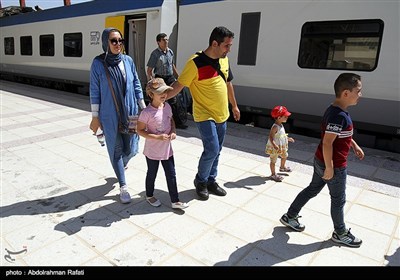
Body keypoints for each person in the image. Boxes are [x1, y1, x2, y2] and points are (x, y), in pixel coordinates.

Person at [280, 73, 364, 248]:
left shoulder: (334, 110)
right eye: (358, 91)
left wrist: (353, 145)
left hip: (321, 160)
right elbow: (327, 142)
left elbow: (339, 135)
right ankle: (340, 233)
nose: (360, 95)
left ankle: (290, 216)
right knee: (338, 199)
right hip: (333, 165)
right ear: (346, 93)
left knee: (312, 189)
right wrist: (330, 168)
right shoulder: (338, 115)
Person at [166, 26, 240, 200]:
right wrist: (160, 99)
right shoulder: (195, 62)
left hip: (222, 114)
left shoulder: (224, 60)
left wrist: (234, 106)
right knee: (212, 149)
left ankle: (211, 180)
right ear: (215, 43)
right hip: (204, 114)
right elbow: (179, 85)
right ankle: (200, 181)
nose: (229, 50)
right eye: (226, 46)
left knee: (218, 150)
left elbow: (228, 83)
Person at [89, 27, 146, 204]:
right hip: (109, 115)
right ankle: (123, 186)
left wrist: (142, 106)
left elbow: (136, 82)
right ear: (106, 43)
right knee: (116, 149)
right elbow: (95, 91)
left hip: (130, 112)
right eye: (114, 41)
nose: (118, 44)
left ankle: (121, 164)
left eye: (120, 41)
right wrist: (95, 116)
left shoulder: (128, 61)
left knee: (132, 149)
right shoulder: (98, 63)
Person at [136, 78, 188, 209]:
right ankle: (149, 195)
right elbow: (140, 130)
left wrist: (174, 131)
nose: (164, 94)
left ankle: (175, 200)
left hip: (167, 150)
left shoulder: (167, 107)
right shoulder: (146, 113)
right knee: (152, 173)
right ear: (151, 94)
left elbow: (171, 121)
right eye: (160, 92)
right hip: (152, 151)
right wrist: (157, 137)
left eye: (165, 91)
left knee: (171, 174)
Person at [146, 33, 188, 129]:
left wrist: (179, 77)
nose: (166, 42)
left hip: (170, 78)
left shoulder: (170, 52)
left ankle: (177, 122)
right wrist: (152, 82)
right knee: (159, 99)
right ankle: (156, 120)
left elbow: (172, 66)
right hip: (160, 79)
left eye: (167, 39)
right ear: (158, 42)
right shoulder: (155, 54)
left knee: (174, 99)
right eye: (164, 40)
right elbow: (149, 70)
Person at [265, 105, 295, 182]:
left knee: (284, 155)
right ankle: (273, 174)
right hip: (275, 147)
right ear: (279, 117)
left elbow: (281, 135)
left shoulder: (281, 125)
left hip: (281, 146)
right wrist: (274, 145)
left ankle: (282, 167)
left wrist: (287, 139)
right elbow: (271, 137)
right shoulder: (275, 127)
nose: (287, 117)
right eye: (285, 116)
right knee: (273, 160)